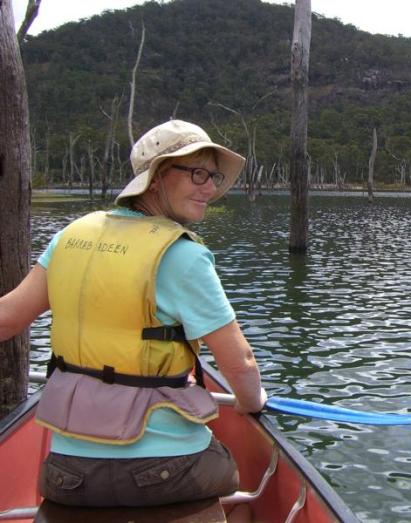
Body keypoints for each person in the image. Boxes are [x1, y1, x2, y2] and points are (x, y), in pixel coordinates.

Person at [0, 120, 267, 508]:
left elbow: (7, 318)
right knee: (239, 490)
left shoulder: (68, 237)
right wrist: (250, 402)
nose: (209, 188)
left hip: (66, 474)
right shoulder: (183, 256)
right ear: (156, 178)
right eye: (197, 174)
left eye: (213, 176)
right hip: (165, 470)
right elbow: (240, 362)